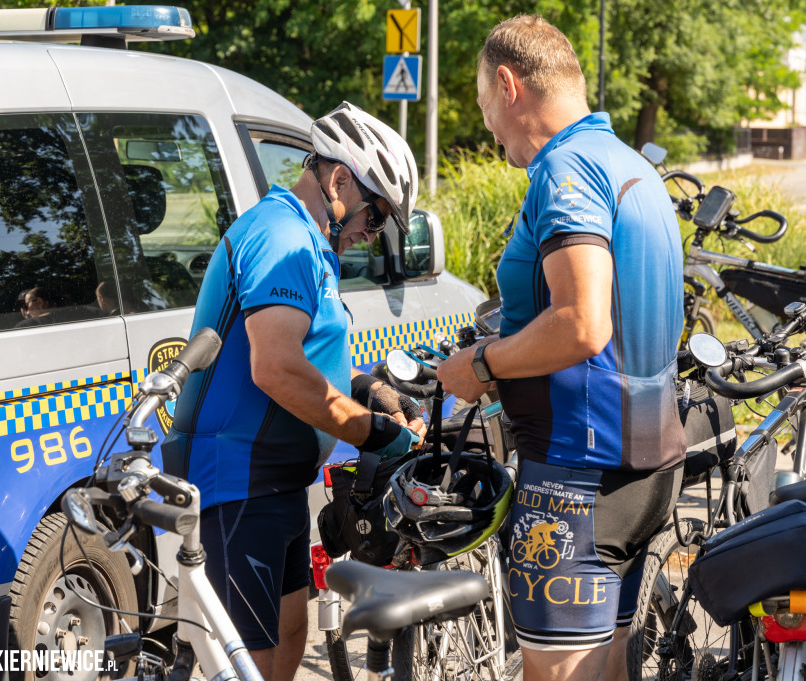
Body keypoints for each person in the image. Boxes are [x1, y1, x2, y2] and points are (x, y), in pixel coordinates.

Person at [437, 16, 686, 681]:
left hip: (578, 472)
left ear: (509, 84)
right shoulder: (632, 164)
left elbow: (582, 323)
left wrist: (482, 364)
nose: (486, 124)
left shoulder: (564, 169)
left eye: (483, 102)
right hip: (649, 463)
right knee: (611, 666)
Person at [161, 102, 424, 681]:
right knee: (251, 666)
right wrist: (374, 433)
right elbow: (276, 369)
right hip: (239, 483)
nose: (371, 235)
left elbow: (310, 360)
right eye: (376, 218)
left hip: (277, 485)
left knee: (289, 640)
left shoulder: (308, 244)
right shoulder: (281, 236)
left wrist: (370, 390)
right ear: (339, 180)